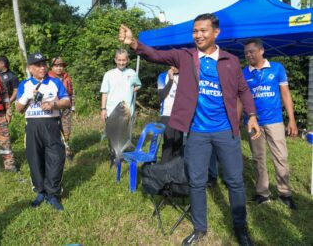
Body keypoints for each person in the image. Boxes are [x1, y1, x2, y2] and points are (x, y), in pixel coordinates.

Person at [119, 13, 261, 246]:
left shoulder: (230, 61)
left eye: (203, 30)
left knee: (235, 180)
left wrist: (252, 115)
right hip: (196, 131)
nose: (198, 35)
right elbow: (156, 55)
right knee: (196, 181)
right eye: (195, 31)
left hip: (226, 130)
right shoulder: (185, 56)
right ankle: (199, 228)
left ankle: (240, 228)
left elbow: (243, 90)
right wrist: (134, 43)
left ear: (216, 33)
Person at [243, 38, 298, 209]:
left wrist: (292, 120)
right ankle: (262, 193)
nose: (248, 55)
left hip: (274, 120)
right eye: (246, 53)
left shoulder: (277, 68)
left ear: (261, 51)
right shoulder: (244, 72)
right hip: (253, 123)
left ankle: (284, 193)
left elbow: (286, 95)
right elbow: (240, 99)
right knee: (258, 158)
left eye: (251, 51)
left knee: (280, 157)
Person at [15, 52, 70, 211]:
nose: (42, 67)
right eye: (38, 65)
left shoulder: (55, 82)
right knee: (35, 159)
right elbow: (18, 108)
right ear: (30, 68)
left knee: (56, 158)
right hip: (32, 127)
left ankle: (53, 193)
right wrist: (27, 96)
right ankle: (41, 191)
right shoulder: (24, 84)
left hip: (52, 125)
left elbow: (67, 101)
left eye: (44, 64)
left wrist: (54, 105)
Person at [100, 49, 141, 122]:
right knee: (112, 133)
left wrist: (134, 89)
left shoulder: (132, 73)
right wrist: (103, 109)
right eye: (119, 60)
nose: (121, 63)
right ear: (115, 60)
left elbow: (139, 85)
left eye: (123, 60)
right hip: (111, 111)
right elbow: (104, 93)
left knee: (125, 134)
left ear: (127, 60)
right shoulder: (108, 74)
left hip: (127, 112)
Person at [48, 57, 75, 161]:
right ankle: (56, 152)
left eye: (61, 66)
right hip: (53, 109)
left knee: (66, 130)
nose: (59, 68)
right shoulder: (47, 78)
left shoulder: (66, 77)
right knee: (54, 131)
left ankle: (67, 150)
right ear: (52, 67)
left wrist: (73, 106)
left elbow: (72, 92)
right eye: (56, 66)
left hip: (66, 109)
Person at [157, 66, 183, 163]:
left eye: (177, 64)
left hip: (180, 114)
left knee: (178, 143)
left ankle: (175, 171)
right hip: (166, 114)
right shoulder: (162, 76)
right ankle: (164, 170)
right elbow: (162, 95)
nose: (174, 67)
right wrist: (171, 80)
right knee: (168, 143)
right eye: (172, 64)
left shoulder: (185, 77)